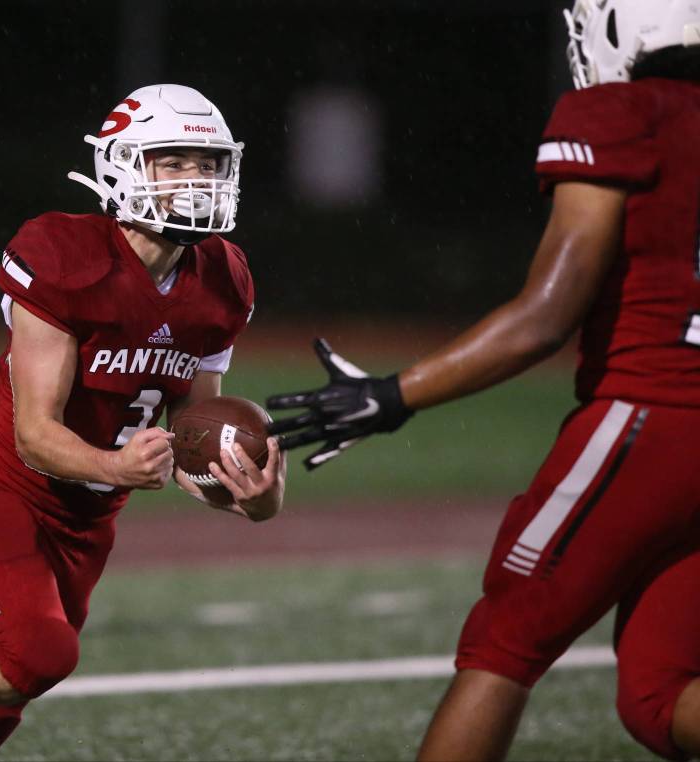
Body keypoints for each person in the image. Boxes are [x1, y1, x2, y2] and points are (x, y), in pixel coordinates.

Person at [266, 1, 700, 759]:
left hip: (651, 414)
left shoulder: (618, 111)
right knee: (657, 697)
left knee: (505, 640)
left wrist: (392, 395)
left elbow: (545, 315)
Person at [0, 83, 285, 762]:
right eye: (174, 160)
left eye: (208, 162)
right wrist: (115, 465)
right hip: (2, 493)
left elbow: (195, 430)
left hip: (89, 524)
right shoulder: (63, 254)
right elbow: (34, 434)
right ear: (123, 165)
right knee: (40, 652)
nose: (196, 179)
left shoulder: (222, 278)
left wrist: (255, 495)